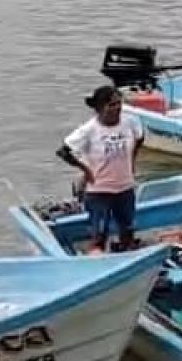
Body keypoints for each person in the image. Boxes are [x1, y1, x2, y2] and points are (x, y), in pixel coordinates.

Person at [56, 85, 145, 252]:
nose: (117, 108)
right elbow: (63, 152)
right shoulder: (89, 130)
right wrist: (86, 170)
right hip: (99, 190)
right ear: (100, 108)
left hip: (125, 188)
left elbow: (140, 137)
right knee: (99, 235)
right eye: (111, 105)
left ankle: (126, 255)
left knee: (128, 229)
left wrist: (132, 160)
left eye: (119, 103)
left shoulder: (130, 121)